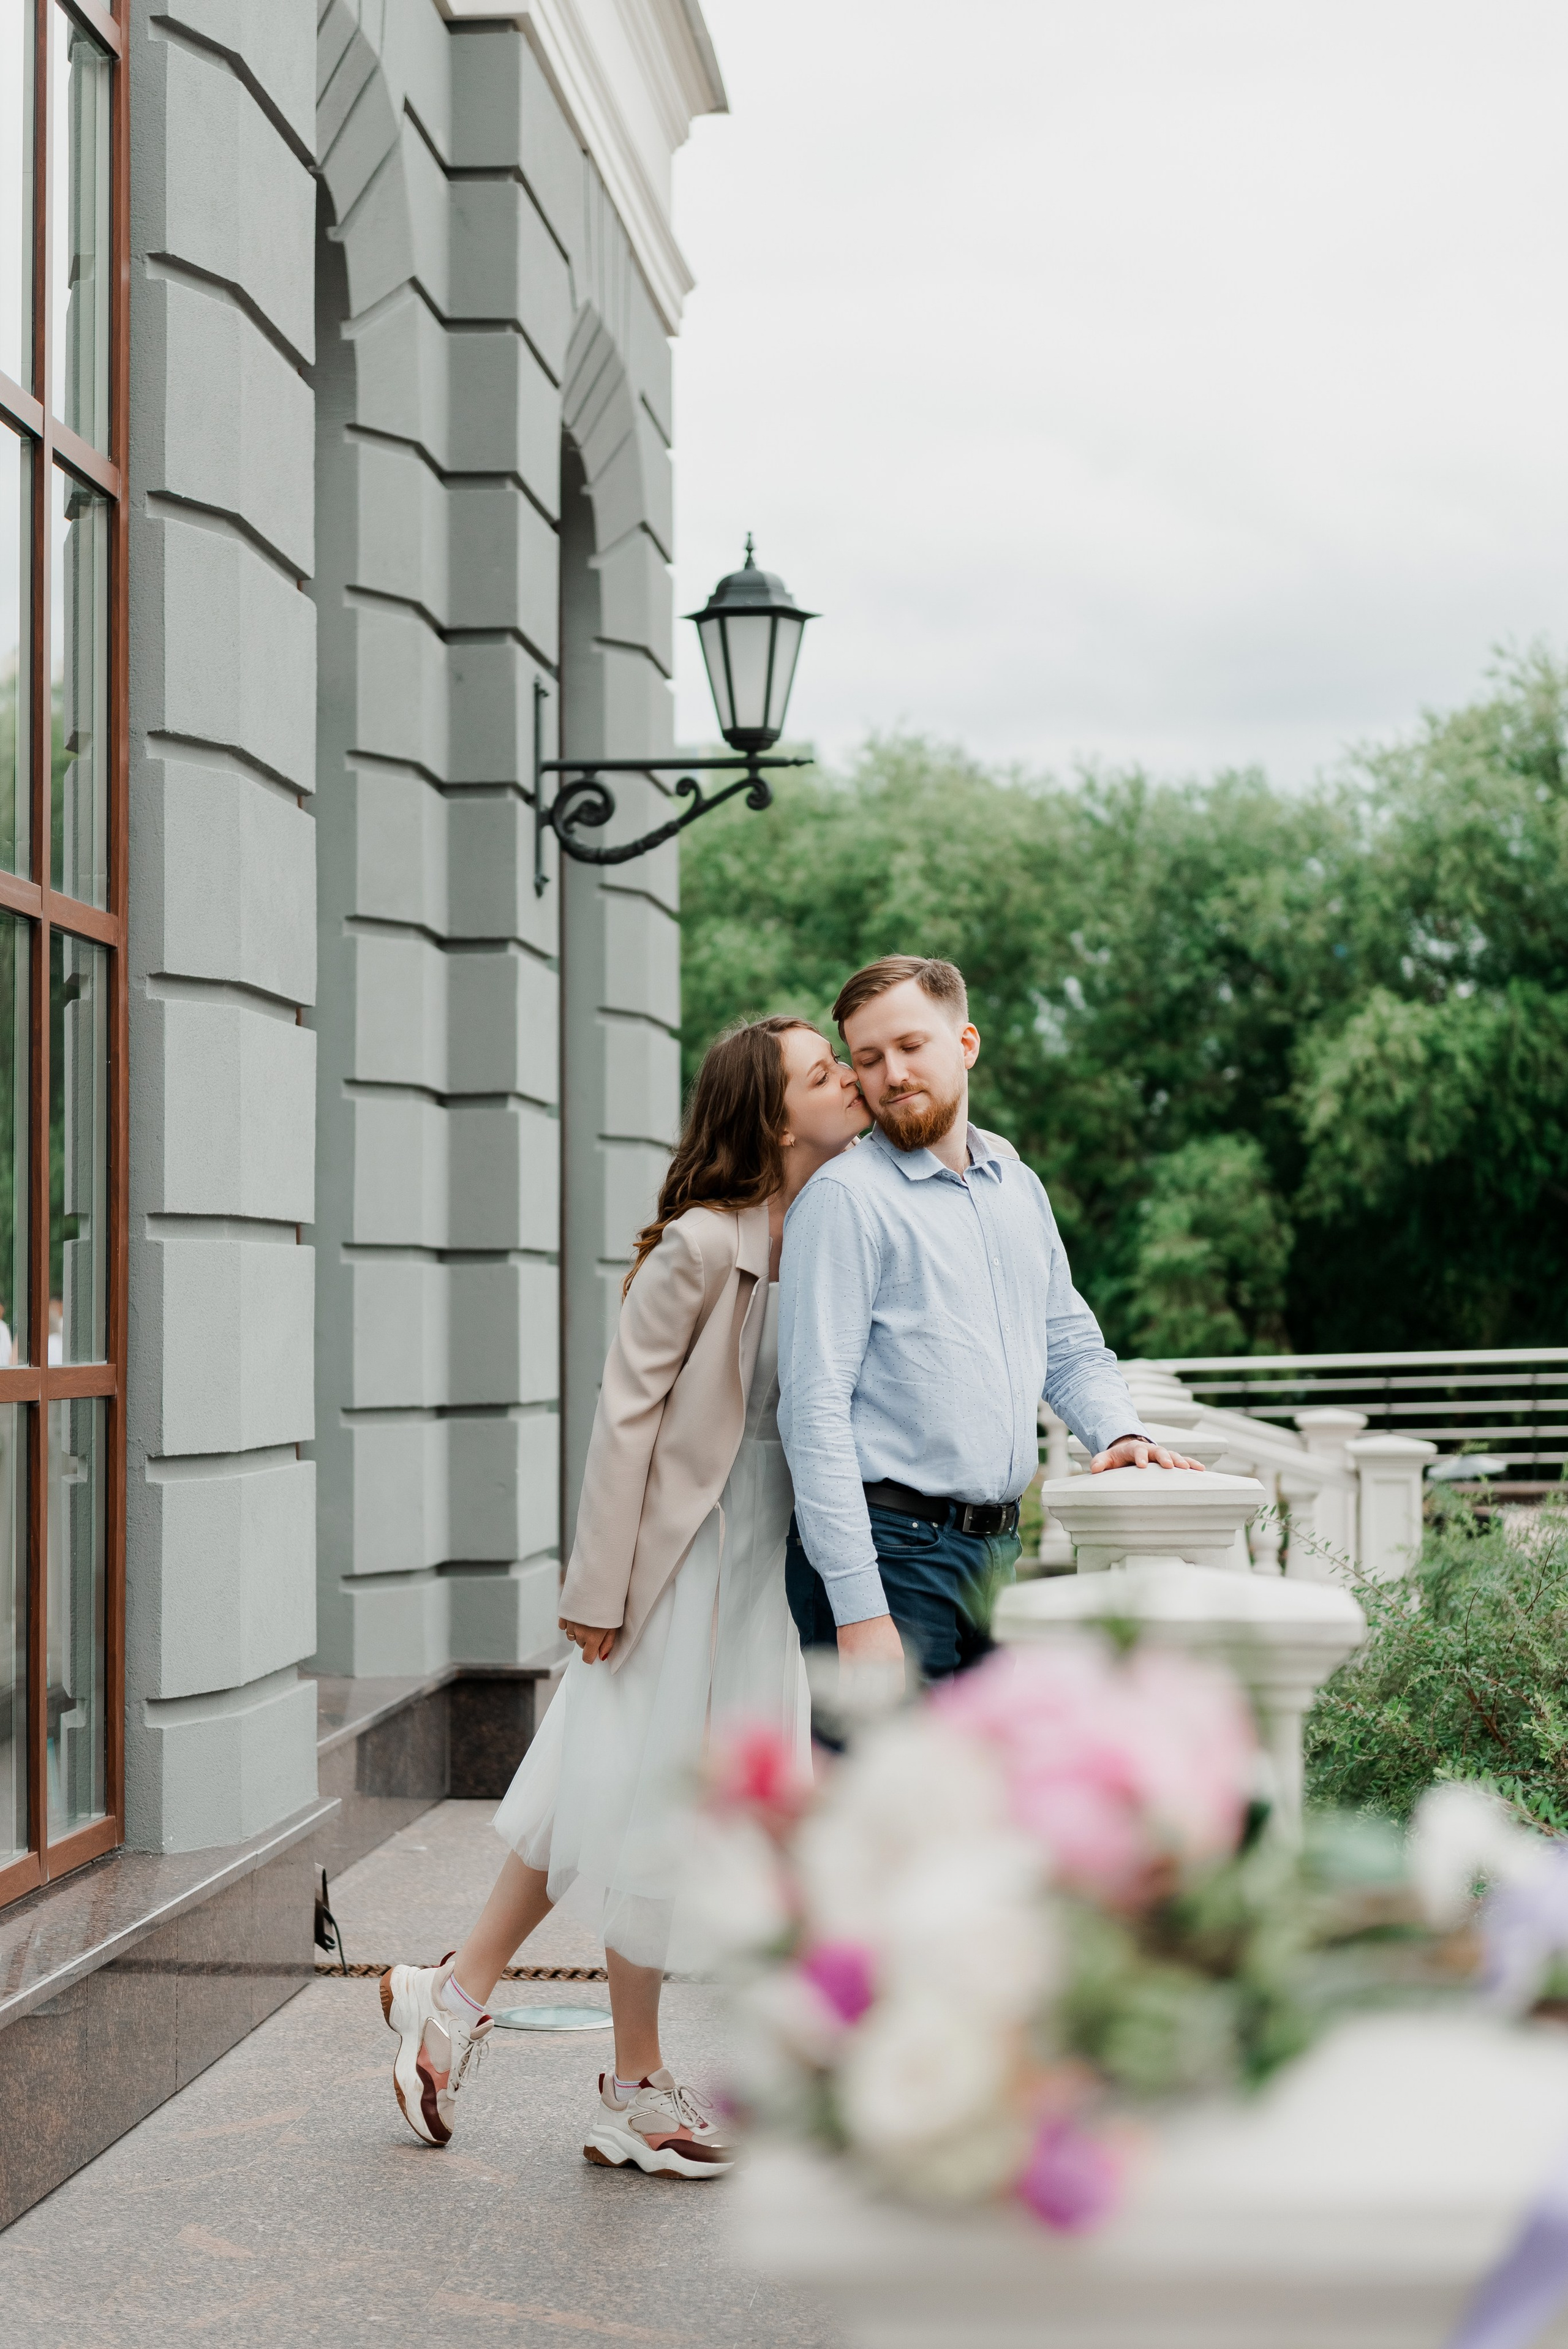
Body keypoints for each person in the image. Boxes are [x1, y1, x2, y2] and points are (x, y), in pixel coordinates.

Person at [380, 1015, 870, 2173]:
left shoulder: (832, 1231)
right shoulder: (700, 1246)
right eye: (822, 1073)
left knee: (612, 1786)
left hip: (767, 1566)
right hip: (679, 1565)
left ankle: (453, 2000)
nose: (848, 1081)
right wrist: (598, 1590)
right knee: (642, 1794)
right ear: (769, 1115)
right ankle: (630, 2084)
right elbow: (624, 1422)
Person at [778, 955, 1203, 1686]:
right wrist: (858, 1609)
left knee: (978, 1798)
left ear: (965, 1043)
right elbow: (812, 1411)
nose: (892, 1075)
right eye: (869, 1059)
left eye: (912, 1046)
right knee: (891, 1800)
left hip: (994, 1556)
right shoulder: (844, 1200)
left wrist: (1122, 1432)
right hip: (888, 1559)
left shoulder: (1016, 1184)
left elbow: (1067, 1344)